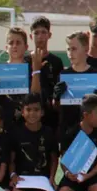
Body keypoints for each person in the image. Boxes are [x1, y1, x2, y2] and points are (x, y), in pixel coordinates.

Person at [9, 94, 56, 191]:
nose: (32, 113)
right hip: (23, 178)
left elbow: (53, 157)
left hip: (42, 178)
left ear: (42, 112)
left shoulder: (48, 132)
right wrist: (12, 175)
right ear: (22, 112)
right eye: (28, 110)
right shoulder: (16, 132)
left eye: (36, 110)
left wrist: (51, 177)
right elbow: (11, 158)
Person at [0, 27, 41, 130]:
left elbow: (36, 97)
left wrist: (36, 70)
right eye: (11, 43)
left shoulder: (32, 69)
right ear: (6, 47)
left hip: (28, 127)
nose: (14, 46)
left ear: (26, 46)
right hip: (6, 127)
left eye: (18, 43)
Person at [30, 16, 64, 149]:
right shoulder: (26, 61)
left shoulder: (56, 62)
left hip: (51, 117)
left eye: (43, 32)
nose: (40, 36)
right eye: (36, 33)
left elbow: (60, 92)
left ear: (49, 35)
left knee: (50, 153)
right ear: (31, 36)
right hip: (30, 117)